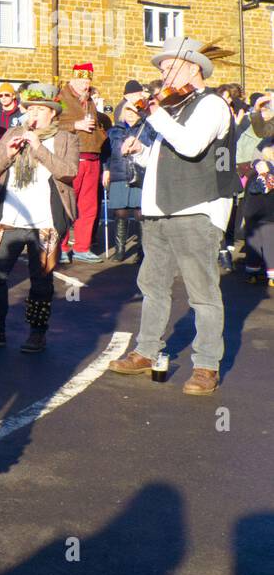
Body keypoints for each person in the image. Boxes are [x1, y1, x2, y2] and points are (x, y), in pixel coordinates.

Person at [109, 37, 239, 395]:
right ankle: (147, 351)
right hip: (158, 210)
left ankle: (206, 365)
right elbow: (163, 159)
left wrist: (155, 115)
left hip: (196, 208)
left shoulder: (211, 105)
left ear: (193, 68)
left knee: (202, 294)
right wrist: (140, 152)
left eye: (168, 68)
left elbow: (192, 145)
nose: (163, 76)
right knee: (153, 287)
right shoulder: (173, 108)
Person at [0, 85, 77, 353]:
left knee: (41, 280)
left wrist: (39, 148)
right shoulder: (12, 134)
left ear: (53, 114)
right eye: (30, 108)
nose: (34, 114)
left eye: (41, 109)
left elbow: (69, 172)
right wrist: (8, 154)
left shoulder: (66, 138)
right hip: (9, 219)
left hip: (45, 221)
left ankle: (37, 334)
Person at [56, 62, 111, 263]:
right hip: (73, 158)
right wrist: (75, 125)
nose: (85, 85)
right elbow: (53, 123)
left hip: (93, 158)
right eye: (81, 81)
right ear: (73, 79)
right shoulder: (61, 98)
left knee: (89, 207)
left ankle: (82, 247)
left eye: (88, 81)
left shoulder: (89, 101)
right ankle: (61, 247)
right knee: (67, 205)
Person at [104, 81, 147, 262]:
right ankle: (120, 249)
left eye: (134, 112)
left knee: (139, 212)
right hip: (119, 173)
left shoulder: (146, 128)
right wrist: (106, 170)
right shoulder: (114, 131)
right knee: (120, 212)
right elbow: (106, 153)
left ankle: (142, 250)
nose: (131, 115)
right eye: (128, 111)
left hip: (138, 172)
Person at [240, 138, 274, 286]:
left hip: (252, 213)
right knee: (270, 244)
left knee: (253, 243)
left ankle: (252, 272)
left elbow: (247, 191)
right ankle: (272, 274)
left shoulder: (253, 171)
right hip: (269, 214)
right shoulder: (270, 171)